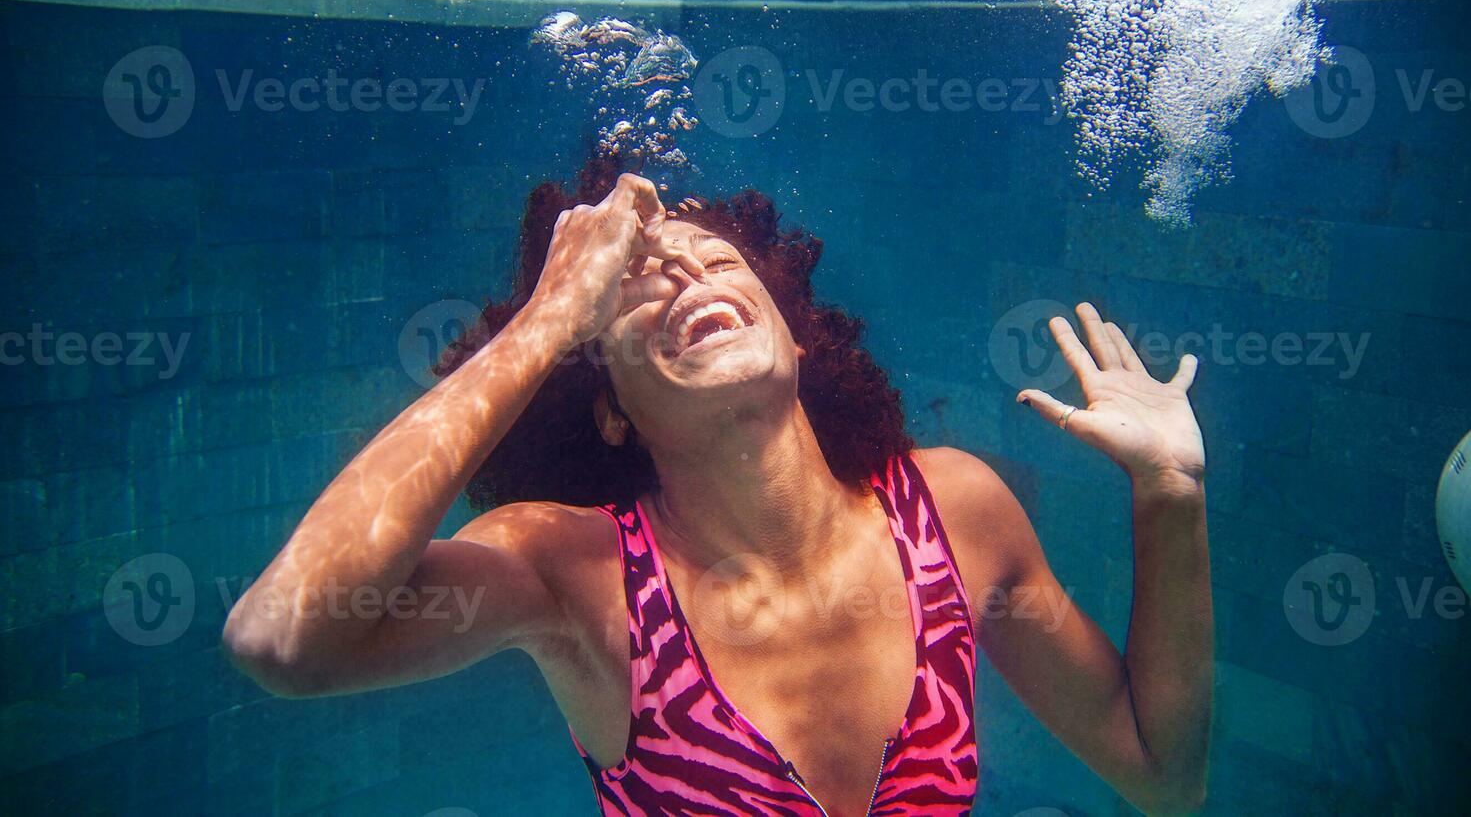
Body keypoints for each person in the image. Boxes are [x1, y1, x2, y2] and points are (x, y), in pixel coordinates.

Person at [223, 162, 1212, 816]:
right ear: (608, 405)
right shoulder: (574, 573)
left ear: (793, 334)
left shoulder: (954, 511)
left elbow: (1159, 771)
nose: (688, 278)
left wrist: (1169, 493)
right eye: (641, 287)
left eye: (715, 260)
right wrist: (545, 318)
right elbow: (284, 637)